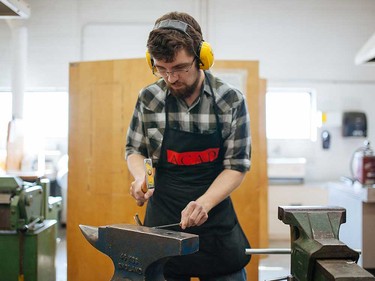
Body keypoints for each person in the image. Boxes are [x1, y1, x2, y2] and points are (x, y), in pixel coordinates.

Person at [126, 11, 251, 281]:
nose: (171, 78)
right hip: (163, 223)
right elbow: (135, 149)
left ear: (201, 58)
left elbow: (237, 166)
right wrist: (140, 177)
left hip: (214, 221)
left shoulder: (230, 100)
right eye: (161, 68)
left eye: (180, 68)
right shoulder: (149, 98)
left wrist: (204, 203)